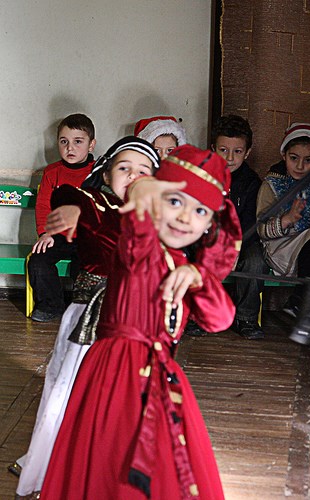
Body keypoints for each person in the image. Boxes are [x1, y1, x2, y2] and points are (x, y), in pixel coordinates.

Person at [40, 145, 242, 499]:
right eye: (175, 202)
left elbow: (219, 319)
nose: (184, 218)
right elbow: (133, 239)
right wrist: (142, 196)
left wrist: (199, 277)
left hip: (161, 382)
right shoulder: (137, 243)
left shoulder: (184, 269)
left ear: (211, 223)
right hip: (114, 376)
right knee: (111, 466)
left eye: (199, 211)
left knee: (158, 470)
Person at [13, 137, 160, 498]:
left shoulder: (159, 218)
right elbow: (68, 195)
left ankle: (111, 463)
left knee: (124, 396)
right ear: (107, 174)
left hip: (134, 321)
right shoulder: (98, 203)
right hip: (88, 321)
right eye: (124, 168)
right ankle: (53, 458)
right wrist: (75, 211)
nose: (134, 176)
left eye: (144, 171)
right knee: (69, 387)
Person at [257, 122, 310, 345]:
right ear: (284, 155)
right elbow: (261, 230)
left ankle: (306, 312)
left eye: (309, 160)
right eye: (294, 158)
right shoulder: (272, 185)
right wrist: (287, 219)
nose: (300, 166)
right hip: (280, 248)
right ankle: (302, 304)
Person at [28, 113, 96, 323]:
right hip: (58, 235)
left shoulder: (99, 172)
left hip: (88, 237)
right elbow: (43, 205)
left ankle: (86, 309)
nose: (70, 148)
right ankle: (51, 306)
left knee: (85, 268)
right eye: (64, 141)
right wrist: (45, 232)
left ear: (91, 145)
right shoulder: (52, 173)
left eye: (78, 142)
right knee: (38, 261)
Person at [212, 114, 269, 340]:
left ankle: (245, 317)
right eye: (223, 150)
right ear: (213, 148)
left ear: (247, 153)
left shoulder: (251, 182)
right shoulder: (205, 176)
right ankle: (196, 315)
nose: (229, 158)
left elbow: (250, 222)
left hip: (241, 240)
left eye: (237, 152)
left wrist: (235, 247)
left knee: (255, 261)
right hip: (211, 238)